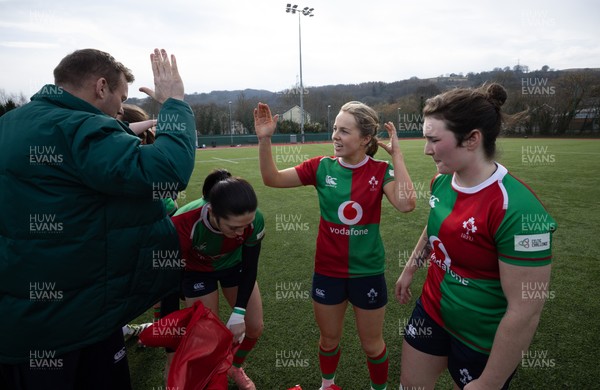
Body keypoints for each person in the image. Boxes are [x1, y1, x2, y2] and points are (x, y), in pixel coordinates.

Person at [0, 48, 197, 389]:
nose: (121, 109)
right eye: (121, 98)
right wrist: (174, 104)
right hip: (76, 321)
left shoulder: (10, 123)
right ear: (101, 87)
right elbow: (167, 172)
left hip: (23, 320)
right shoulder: (79, 127)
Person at [395, 83, 557, 389]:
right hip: (432, 310)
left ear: (471, 139)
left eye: (433, 140)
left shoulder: (518, 211)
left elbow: (525, 311)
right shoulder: (442, 181)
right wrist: (410, 267)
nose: (426, 149)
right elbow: (435, 226)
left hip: (481, 336)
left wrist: (490, 383)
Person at [254, 101, 416, 390]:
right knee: (329, 339)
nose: (335, 136)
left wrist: (398, 156)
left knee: (371, 345)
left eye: (344, 131)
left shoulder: (380, 170)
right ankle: (327, 385)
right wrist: (264, 138)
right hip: (328, 272)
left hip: (367, 272)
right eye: (334, 129)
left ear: (365, 139)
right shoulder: (320, 167)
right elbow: (272, 179)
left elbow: (406, 204)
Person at [165, 170, 265, 390]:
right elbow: (168, 285)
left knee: (255, 326)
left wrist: (239, 312)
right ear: (212, 212)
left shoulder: (253, 219)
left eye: (245, 225)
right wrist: (171, 350)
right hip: (196, 272)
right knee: (206, 338)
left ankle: (235, 366)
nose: (242, 232)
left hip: (234, 267)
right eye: (234, 227)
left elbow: (250, 267)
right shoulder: (182, 222)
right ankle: (209, 377)